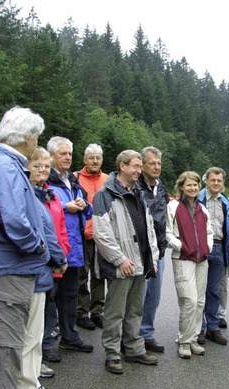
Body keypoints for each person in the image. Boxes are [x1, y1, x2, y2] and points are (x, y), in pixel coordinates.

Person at [0, 106, 66, 388]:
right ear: (27, 137)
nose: (38, 142)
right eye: (37, 137)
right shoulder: (5, 165)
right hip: (8, 269)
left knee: (9, 347)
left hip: (9, 267)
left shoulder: (6, 163)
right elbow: (13, 220)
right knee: (4, 351)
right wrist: (39, 247)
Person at [92, 149, 159, 375]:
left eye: (140, 167)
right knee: (115, 311)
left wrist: (153, 257)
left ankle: (133, 349)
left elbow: (149, 228)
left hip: (140, 262)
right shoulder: (105, 194)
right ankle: (112, 354)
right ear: (122, 166)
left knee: (135, 310)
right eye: (136, 167)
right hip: (122, 264)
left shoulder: (139, 192)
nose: (140, 171)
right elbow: (101, 233)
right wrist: (119, 259)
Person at [45, 136, 94, 361]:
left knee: (70, 294)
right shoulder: (45, 178)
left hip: (74, 248)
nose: (67, 157)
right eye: (62, 154)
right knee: (49, 296)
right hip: (54, 248)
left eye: (69, 154)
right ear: (52, 155)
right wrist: (67, 206)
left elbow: (88, 210)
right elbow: (41, 207)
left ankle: (69, 336)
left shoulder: (72, 181)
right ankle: (46, 342)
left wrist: (85, 205)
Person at [28, 147, 72, 381]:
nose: (43, 170)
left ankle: (40, 355)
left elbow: (61, 228)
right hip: (40, 262)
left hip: (55, 262)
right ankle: (32, 364)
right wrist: (56, 257)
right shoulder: (27, 194)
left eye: (46, 166)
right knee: (33, 317)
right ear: (27, 167)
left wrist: (62, 254)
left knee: (48, 309)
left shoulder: (52, 194)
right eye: (38, 165)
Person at [166, 171, 212, 359]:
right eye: (189, 185)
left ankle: (193, 338)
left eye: (195, 185)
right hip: (183, 258)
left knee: (200, 302)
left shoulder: (203, 209)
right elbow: (167, 232)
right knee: (189, 301)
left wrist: (208, 247)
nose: (192, 188)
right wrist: (180, 245)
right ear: (181, 187)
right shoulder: (173, 206)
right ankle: (184, 341)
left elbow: (209, 231)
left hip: (202, 260)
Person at [198, 167, 229, 345]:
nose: (216, 183)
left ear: (223, 183)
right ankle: (198, 328)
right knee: (199, 291)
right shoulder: (197, 199)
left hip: (220, 248)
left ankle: (213, 328)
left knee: (215, 291)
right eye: (213, 180)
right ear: (206, 181)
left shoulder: (228, 203)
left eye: (219, 180)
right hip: (201, 249)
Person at [137, 146, 169, 353]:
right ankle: (131, 336)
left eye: (159, 163)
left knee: (154, 297)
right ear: (142, 165)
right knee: (138, 297)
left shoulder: (162, 188)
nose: (157, 167)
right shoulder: (135, 187)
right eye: (152, 163)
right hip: (140, 250)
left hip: (160, 250)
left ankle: (146, 334)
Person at [76, 143, 108, 331]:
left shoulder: (107, 179)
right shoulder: (76, 178)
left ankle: (98, 311)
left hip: (102, 235)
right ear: (85, 160)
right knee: (81, 275)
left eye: (98, 158)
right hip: (82, 235)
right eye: (91, 158)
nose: (95, 161)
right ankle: (81, 312)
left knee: (99, 275)